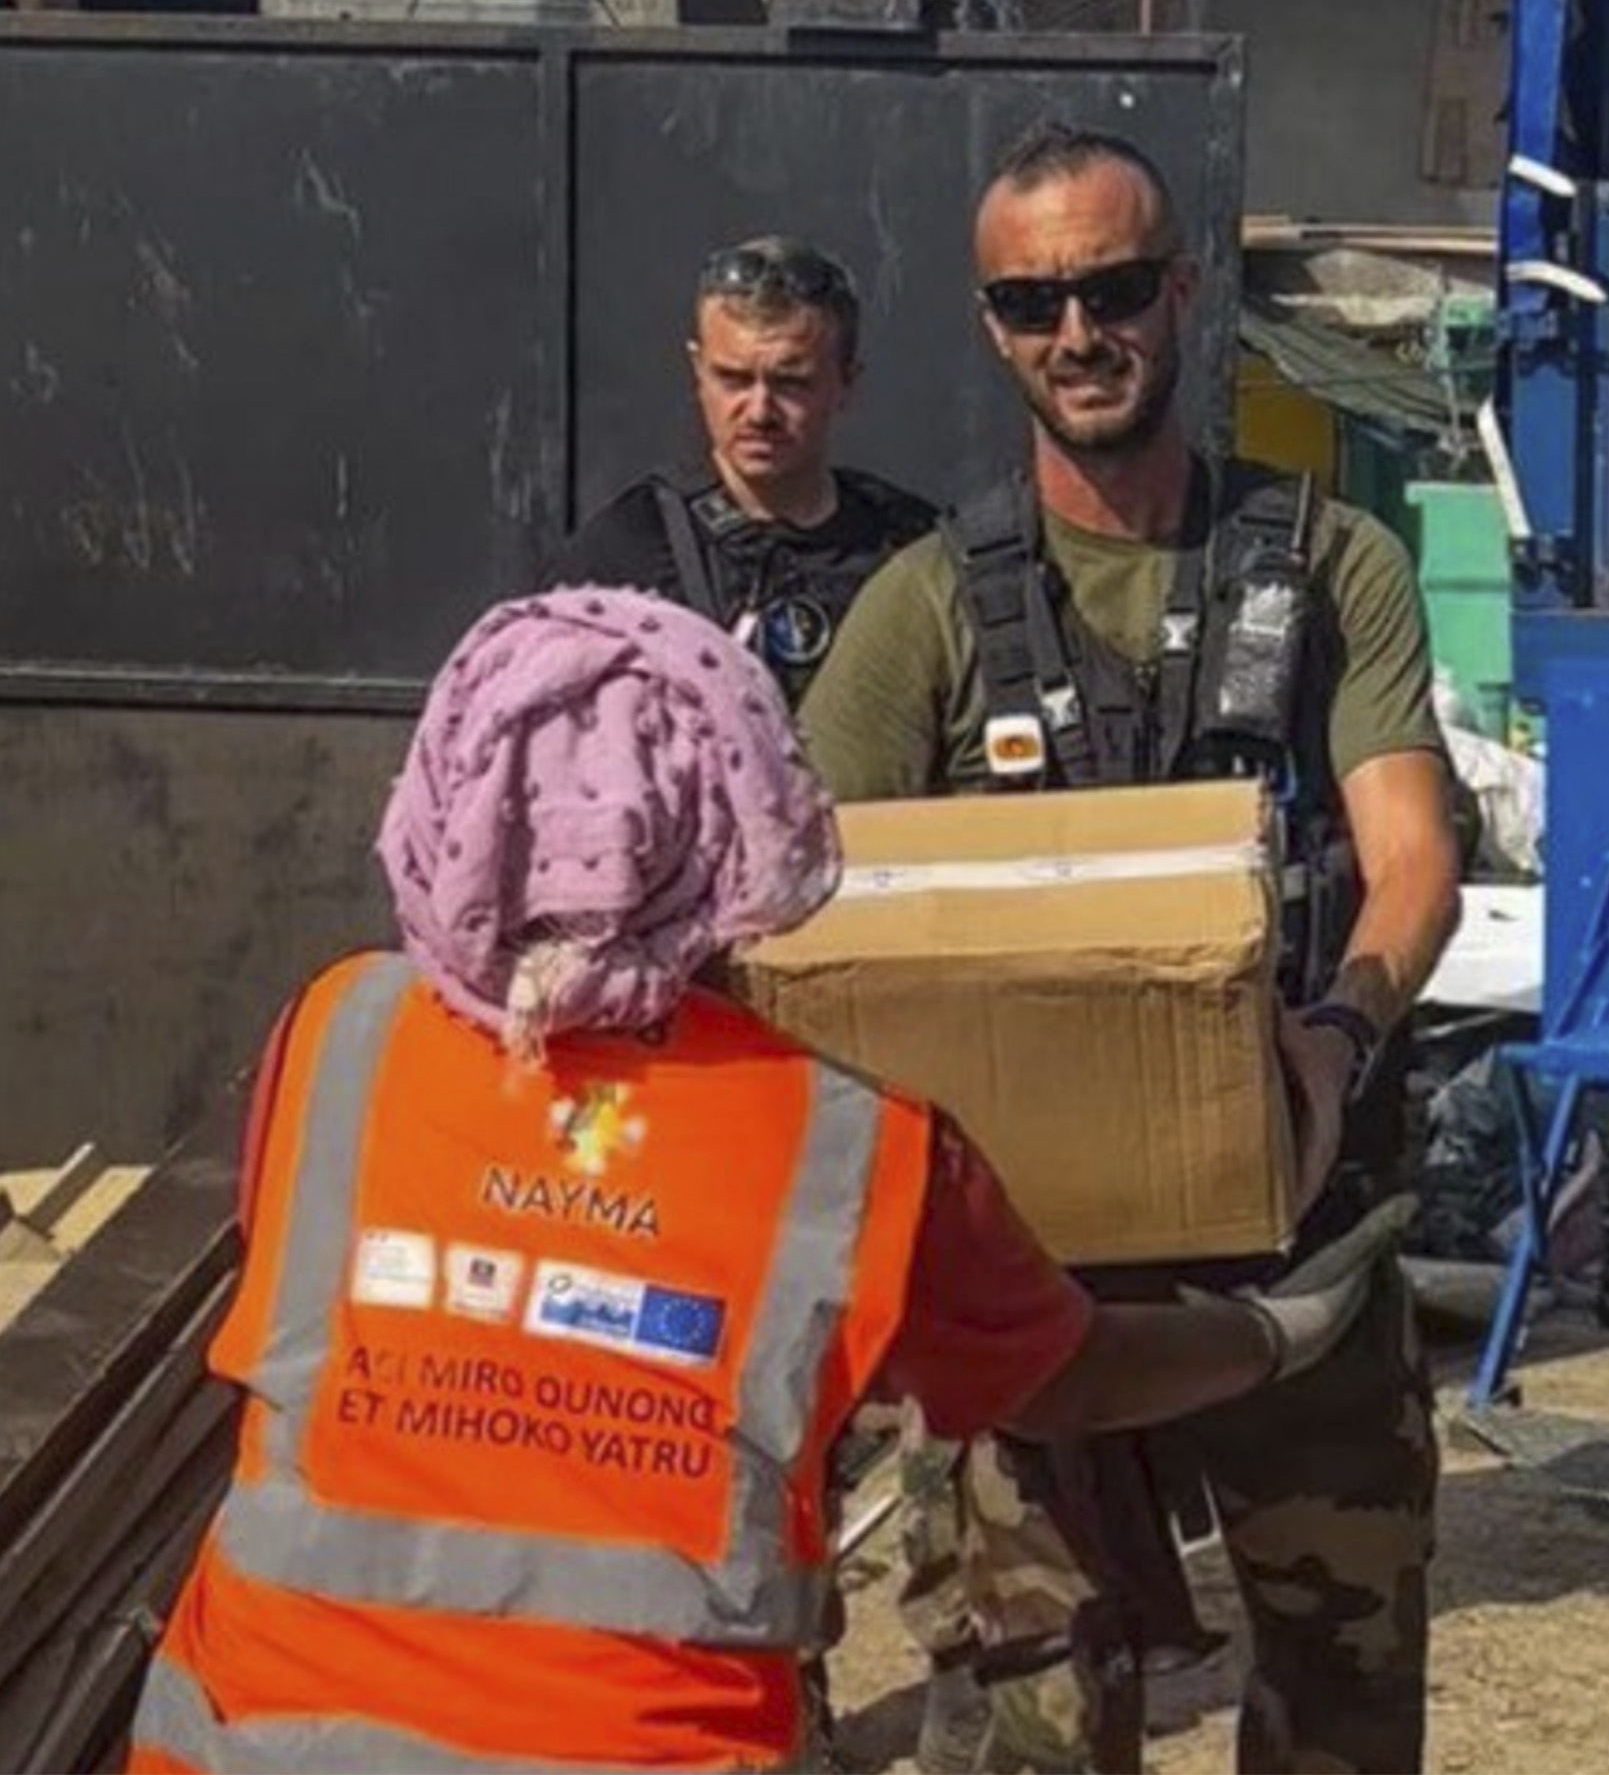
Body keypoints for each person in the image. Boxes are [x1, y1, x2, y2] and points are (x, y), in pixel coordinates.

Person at [126, 588, 1406, 1775]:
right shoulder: (855, 1146)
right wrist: (1266, 1334)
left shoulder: (338, 1034)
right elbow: (1067, 1372)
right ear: (733, 823)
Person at [801, 121, 1466, 1774]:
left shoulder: (1328, 566)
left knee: (1344, 1689)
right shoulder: (930, 609)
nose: (1077, 335)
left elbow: (1411, 865)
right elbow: (799, 913)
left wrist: (1335, 1035)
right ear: (992, 326)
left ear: (1181, 294)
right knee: (1033, 1710)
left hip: (1291, 1243)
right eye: (1034, 305)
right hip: (1020, 1279)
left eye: (1109, 290)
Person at [547, 235, 937, 705]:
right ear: (698, 370)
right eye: (732, 378)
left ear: (846, 383)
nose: (759, 411)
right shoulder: (622, 556)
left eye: (791, 383)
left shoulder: (912, 550)